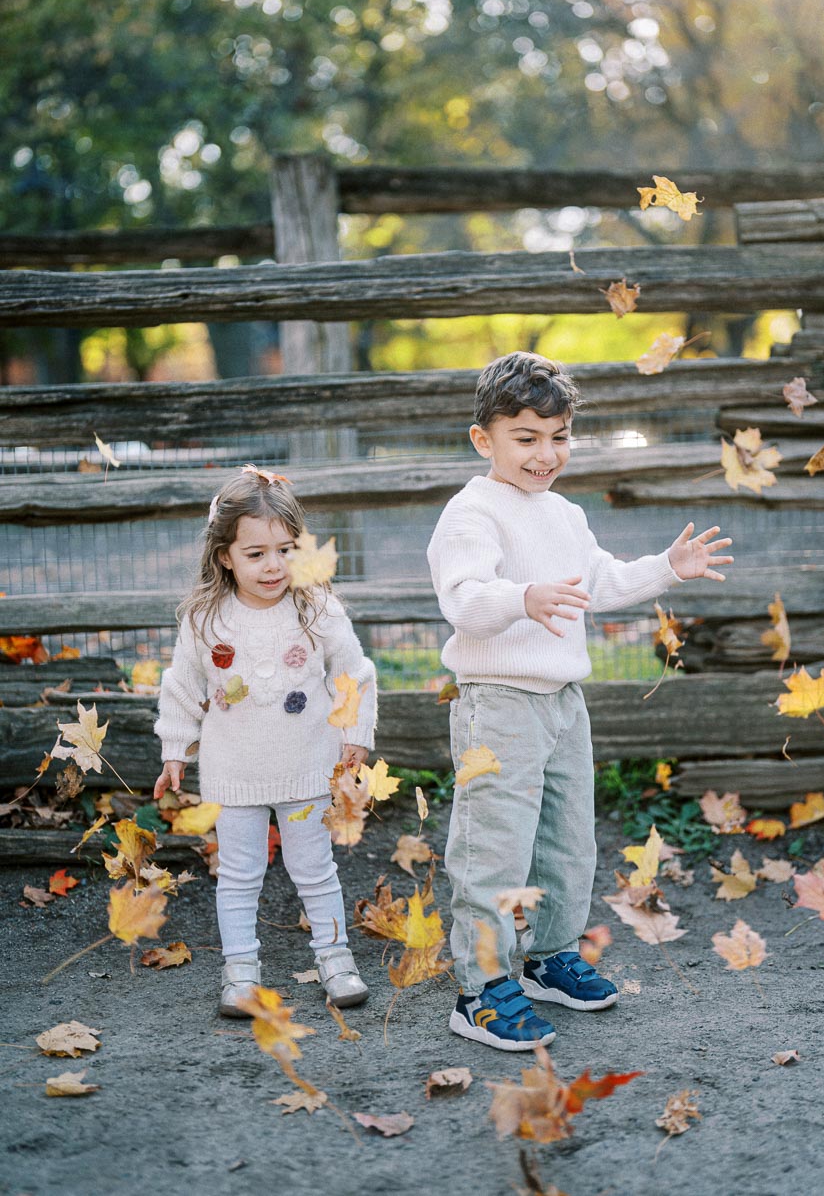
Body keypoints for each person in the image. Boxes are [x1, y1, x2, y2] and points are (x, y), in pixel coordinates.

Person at [427, 352, 733, 1051]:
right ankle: (479, 991)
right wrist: (523, 598)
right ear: (485, 439)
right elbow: (466, 600)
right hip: (498, 703)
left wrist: (665, 568)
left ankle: (547, 957)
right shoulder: (471, 512)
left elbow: (598, 580)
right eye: (526, 438)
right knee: (493, 849)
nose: (545, 453)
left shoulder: (563, 512)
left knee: (566, 843)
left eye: (559, 436)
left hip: (564, 703)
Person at [153, 464, 376, 1015]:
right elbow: (182, 686)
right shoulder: (205, 619)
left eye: (285, 549)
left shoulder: (316, 607)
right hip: (235, 772)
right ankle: (241, 971)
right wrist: (175, 748)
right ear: (225, 555)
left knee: (315, 869)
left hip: (307, 765)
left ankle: (335, 957)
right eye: (256, 554)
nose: (273, 565)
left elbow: (353, 671)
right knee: (237, 875)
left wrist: (356, 733)